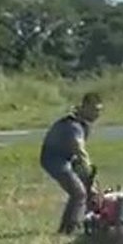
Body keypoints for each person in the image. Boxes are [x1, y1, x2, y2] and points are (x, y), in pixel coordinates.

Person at [39, 92, 103, 235]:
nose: (97, 115)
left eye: (100, 111)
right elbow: (79, 149)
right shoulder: (73, 126)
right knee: (79, 193)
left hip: (67, 159)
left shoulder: (80, 123)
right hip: (55, 160)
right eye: (95, 110)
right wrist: (89, 170)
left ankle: (77, 224)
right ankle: (69, 229)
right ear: (85, 107)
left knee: (86, 190)